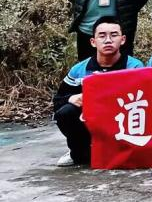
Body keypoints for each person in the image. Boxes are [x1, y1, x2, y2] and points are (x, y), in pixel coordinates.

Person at [53, 19, 145, 166]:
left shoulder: (135, 67)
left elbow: (145, 99)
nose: (108, 40)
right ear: (93, 42)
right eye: (102, 36)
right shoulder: (79, 70)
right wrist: (72, 98)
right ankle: (78, 152)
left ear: (123, 40)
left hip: (122, 119)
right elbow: (58, 100)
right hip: (91, 122)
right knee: (66, 113)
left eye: (114, 35)